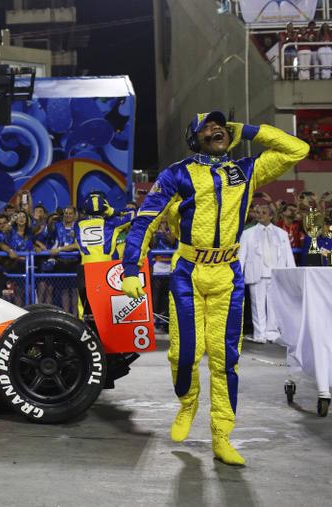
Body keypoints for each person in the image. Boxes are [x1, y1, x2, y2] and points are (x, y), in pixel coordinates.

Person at [121, 111, 309, 465]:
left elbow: (297, 149)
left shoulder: (247, 169)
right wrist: (131, 266)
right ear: (194, 138)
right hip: (188, 273)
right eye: (207, 126)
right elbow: (146, 219)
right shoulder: (177, 173)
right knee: (184, 354)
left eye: (221, 125)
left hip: (228, 275)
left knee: (226, 360)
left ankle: (222, 435)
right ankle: (187, 404)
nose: (216, 129)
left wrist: (250, 131)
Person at [239, 204, 295, 343]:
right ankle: (260, 333)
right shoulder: (248, 233)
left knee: (274, 305)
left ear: (271, 216)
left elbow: (288, 255)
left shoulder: (281, 233)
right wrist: (237, 274)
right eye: (258, 212)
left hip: (276, 274)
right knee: (257, 306)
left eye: (264, 213)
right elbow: (241, 256)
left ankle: (272, 332)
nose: (260, 215)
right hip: (256, 273)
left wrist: (292, 273)